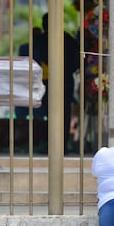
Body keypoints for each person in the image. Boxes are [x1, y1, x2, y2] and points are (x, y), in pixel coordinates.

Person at [36, 12, 80, 153]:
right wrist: (69, 69)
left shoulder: (43, 39)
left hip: (50, 79)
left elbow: (41, 57)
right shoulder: (67, 37)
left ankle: (51, 146)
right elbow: (78, 57)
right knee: (65, 112)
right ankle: (63, 146)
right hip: (66, 78)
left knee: (50, 112)